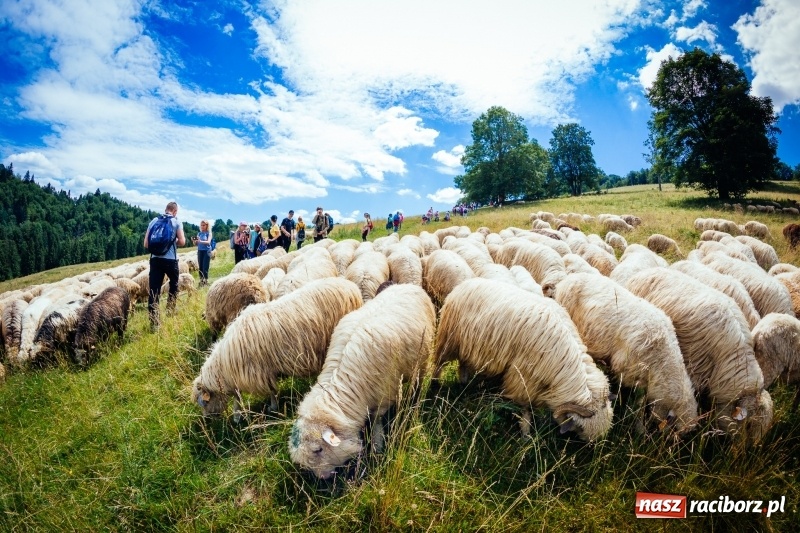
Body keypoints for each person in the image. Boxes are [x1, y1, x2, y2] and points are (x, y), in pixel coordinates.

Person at [144, 201, 186, 331]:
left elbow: (146, 244)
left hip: (155, 260)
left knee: (154, 291)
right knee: (174, 285)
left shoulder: (154, 221)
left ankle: (154, 323)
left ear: (166, 209)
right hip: (170, 260)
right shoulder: (176, 221)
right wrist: (173, 241)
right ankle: (170, 310)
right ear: (175, 211)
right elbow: (183, 241)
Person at [193, 219, 212, 286]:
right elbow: (196, 244)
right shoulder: (199, 233)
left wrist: (200, 241)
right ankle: (201, 281)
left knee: (205, 266)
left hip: (207, 251)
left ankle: (206, 281)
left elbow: (208, 242)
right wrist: (195, 241)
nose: (202, 226)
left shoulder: (208, 233)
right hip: (200, 251)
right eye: (201, 225)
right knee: (200, 266)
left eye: (204, 225)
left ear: (207, 226)